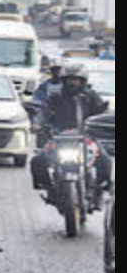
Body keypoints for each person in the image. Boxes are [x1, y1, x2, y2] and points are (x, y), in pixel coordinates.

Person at [30, 62, 111, 192]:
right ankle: (49, 187)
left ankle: (101, 186)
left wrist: (104, 121)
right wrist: (37, 123)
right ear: (63, 80)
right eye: (69, 79)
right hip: (59, 137)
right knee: (38, 160)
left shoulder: (90, 96)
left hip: (86, 137)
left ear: (82, 81)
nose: (72, 83)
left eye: (76, 80)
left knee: (104, 159)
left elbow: (101, 113)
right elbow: (43, 111)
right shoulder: (55, 96)